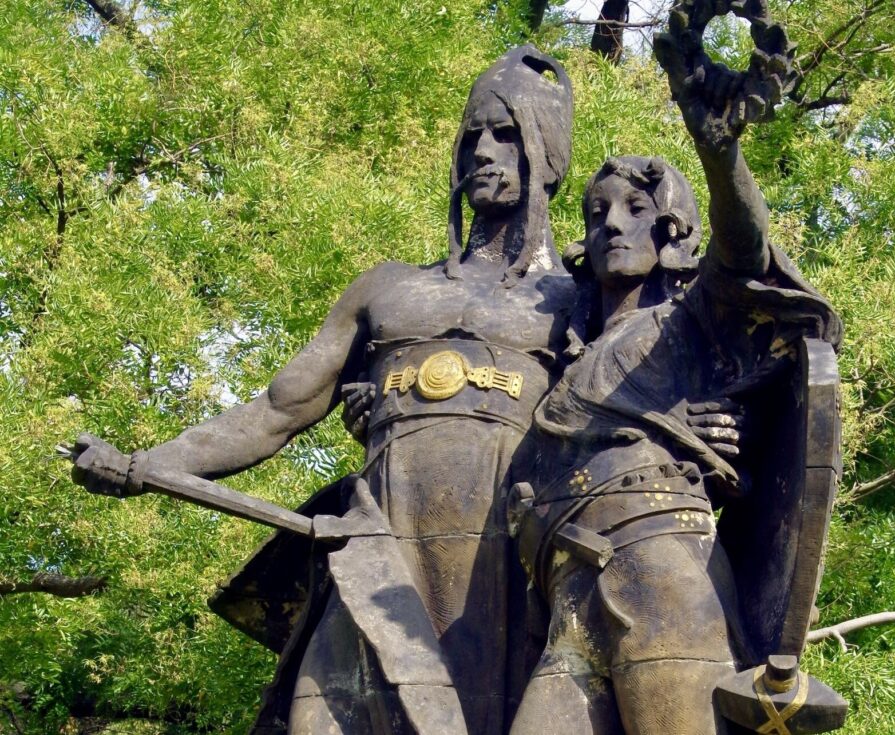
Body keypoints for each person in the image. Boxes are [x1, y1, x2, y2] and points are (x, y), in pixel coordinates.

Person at [71, 46, 577, 735]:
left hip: (504, 572)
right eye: (472, 137)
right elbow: (277, 410)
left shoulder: (578, 300)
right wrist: (147, 464)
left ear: (547, 150)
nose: (484, 152)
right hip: (381, 551)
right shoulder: (388, 287)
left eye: (506, 133)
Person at [506, 79, 841, 735]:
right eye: (598, 212)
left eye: (636, 208)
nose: (611, 223)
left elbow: (745, 246)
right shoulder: (569, 360)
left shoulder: (687, 323)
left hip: (658, 563)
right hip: (570, 596)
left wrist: (719, 153)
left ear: (673, 231)